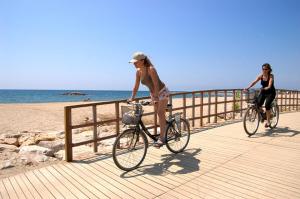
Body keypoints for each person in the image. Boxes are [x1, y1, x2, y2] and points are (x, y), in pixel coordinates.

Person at [128, 52, 170, 147]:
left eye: (136, 62)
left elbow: (156, 84)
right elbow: (136, 86)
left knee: (160, 113)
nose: (134, 64)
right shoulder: (138, 72)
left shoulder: (151, 69)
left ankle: (162, 138)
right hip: (153, 93)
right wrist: (132, 97)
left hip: (162, 91)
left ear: (142, 61)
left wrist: (155, 98)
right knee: (159, 114)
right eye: (133, 62)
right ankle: (166, 125)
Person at [244, 63, 276, 127]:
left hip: (271, 92)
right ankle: (264, 115)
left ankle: (268, 122)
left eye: (265, 69)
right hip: (263, 91)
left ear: (268, 70)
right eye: (263, 69)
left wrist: (268, 87)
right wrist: (248, 87)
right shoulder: (261, 76)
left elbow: (270, 84)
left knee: (267, 105)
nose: (264, 70)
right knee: (257, 104)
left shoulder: (271, 76)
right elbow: (254, 82)